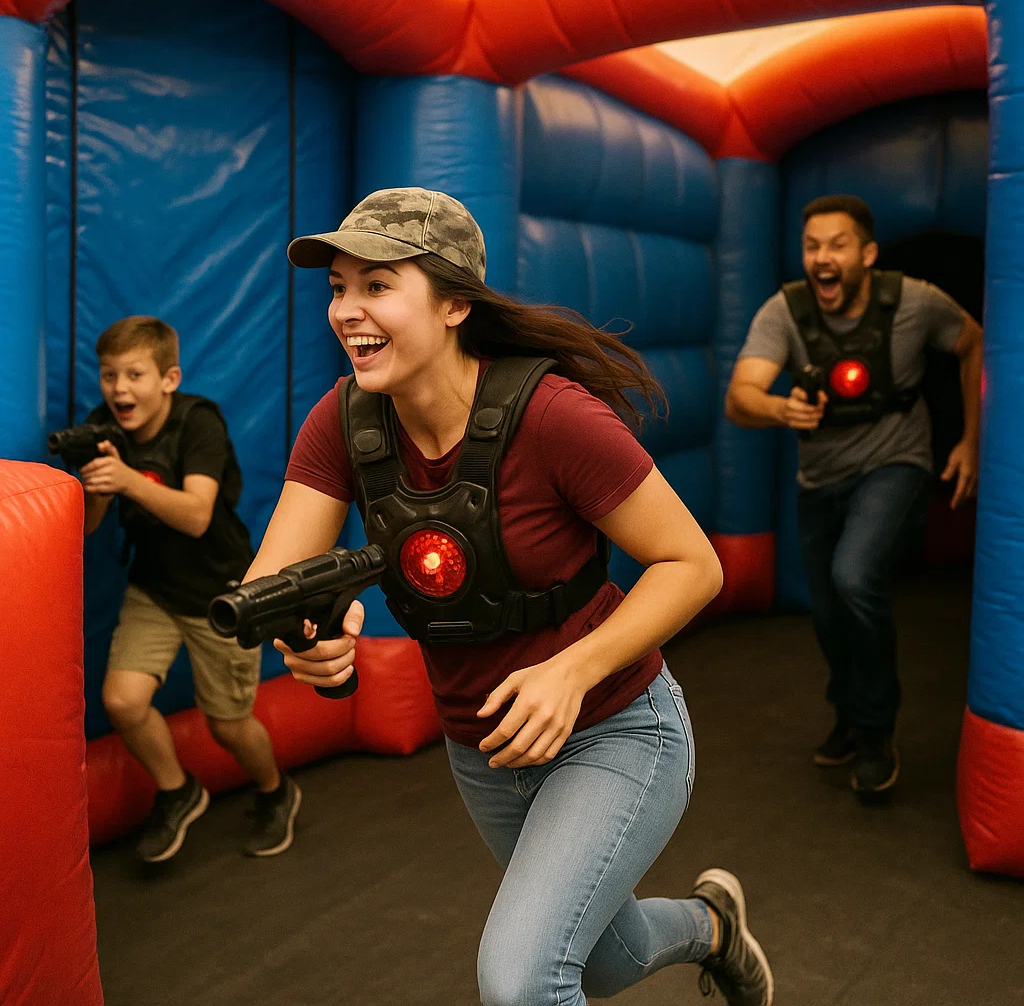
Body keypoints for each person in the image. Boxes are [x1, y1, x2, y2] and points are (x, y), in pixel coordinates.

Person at [244, 187, 774, 1005]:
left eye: (377, 284)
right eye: (338, 287)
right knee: (603, 960)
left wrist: (572, 670)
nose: (347, 310)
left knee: (522, 980)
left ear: (454, 304)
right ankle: (713, 929)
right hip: (485, 748)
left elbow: (693, 565)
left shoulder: (553, 416)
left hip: (617, 727)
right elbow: (271, 583)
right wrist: (308, 634)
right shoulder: (345, 421)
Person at [725, 194, 983, 796]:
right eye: (812, 246)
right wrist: (780, 408)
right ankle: (847, 709)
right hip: (820, 479)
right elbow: (740, 396)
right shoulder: (786, 311)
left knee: (853, 575)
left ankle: (874, 730)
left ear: (867, 254)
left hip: (897, 462)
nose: (822, 258)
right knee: (828, 610)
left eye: (837, 245)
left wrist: (972, 441)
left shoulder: (914, 301)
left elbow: (972, 342)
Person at [79, 315, 300, 861]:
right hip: (153, 588)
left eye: (134, 375)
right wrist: (98, 487)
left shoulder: (198, 423)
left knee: (228, 724)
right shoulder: (103, 427)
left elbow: (198, 516)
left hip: (220, 594)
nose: (119, 389)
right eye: (109, 375)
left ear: (169, 379)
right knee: (122, 701)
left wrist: (127, 479)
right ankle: (177, 791)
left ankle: (276, 791)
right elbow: (87, 527)